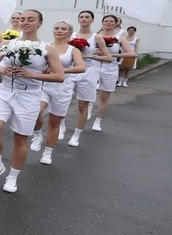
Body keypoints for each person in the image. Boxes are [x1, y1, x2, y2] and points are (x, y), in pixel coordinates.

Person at [0, 10, 64, 193]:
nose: (24, 22)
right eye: (21, 19)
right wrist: (2, 70)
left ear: (40, 23)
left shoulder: (47, 48)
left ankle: (13, 176)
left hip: (29, 95)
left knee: (20, 138)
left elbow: (60, 76)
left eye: (30, 19)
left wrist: (32, 74)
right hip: (5, 91)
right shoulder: (7, 43)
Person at [30, 21, 86, 164]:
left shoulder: (73, 50)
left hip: (63, 88)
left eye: (63, 29)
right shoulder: (45, 47)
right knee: (36, 113)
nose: (59, 31)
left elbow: (81, 67)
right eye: (56, 28)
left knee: (54, 122)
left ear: (69, 33)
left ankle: (48, 152)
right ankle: (37, 135)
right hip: (44, 85)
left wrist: (61, 70)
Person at [67, 11, 110, 147]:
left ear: (92, 20)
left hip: (89, 71)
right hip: (71, 70)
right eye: (81, 17)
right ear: (78, 19)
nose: (84, 19)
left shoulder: (96, 37)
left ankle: (76, 135)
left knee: (82, 105)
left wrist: (91, 56)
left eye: (87, 17)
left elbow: (109, 57)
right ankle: (61, 126)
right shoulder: (70, 35)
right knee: (62, 101)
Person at [92, 15, 135, 132]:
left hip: (110, 68)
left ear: (116, 23)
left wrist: (113, 55)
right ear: (102, 23)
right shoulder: (96, 36)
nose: (108, 23)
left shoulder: (120, 38)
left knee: (104, 96)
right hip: (94, 66)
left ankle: (97, 121)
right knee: (88, 91)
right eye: (106, 21)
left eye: (111, 21)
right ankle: (88, 107)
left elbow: (132, 53)